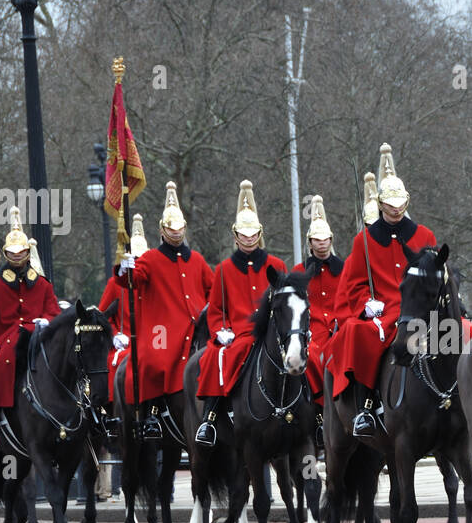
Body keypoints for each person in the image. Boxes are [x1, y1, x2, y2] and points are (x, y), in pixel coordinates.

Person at [327, 144, 436, 437]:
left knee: (456, 333)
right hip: (384, 310)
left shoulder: (424, 235)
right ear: (380, 204)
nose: (396, 208)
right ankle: (365, 404)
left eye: (400, 202)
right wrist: (366, 303)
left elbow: (434, 274)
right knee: (360, 333)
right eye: (390, 203)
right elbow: (355, 283)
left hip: (419, 307)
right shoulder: (363, 240)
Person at [116, 181, 215, 441]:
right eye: (172, 228)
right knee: (153, 361)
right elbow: (134, 280)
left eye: (180, 228)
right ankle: (150, 414)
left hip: (195, 326)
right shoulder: (150, 258)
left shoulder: (197, 259)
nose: (176, 232)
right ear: (162, 230)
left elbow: (213, 289)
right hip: (163, 328)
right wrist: (125, 267)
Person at [193, 181, 288, 446]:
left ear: (259, 234)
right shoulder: (223, 268)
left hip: (271, 332)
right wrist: (220, 330)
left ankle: (313, 415)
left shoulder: (276, 265)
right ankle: (210, 417)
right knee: (215, 355)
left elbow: (287, 300)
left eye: (252, 234)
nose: (248, 239)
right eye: (243, 235)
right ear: (235, 236)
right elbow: (216, 309)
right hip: (238, 333)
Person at [0, 210, 61, 453]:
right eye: (12, 254)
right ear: (6, 254)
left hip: (37, 338)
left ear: (28, 253)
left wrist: (46, 322)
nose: (17, 258)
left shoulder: (42, 284)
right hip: (5, 341)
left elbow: (54, 312)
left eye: (21, 253)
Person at [98, 212, 150, 436]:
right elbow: (102, 318)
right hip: (123, 344)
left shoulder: (152, 280)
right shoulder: (114, 284)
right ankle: (111, 413)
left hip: (150, 342)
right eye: (134, 260)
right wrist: (112, 337)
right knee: (113, 364)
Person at [302, 193, 343, 449]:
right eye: (317, 239)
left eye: (325, 239)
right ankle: (320, 412)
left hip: (339, 330)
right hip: (313, 333)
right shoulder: (299, 272)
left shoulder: (344, 268)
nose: (322, 243)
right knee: (312, 357)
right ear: (310, 242)